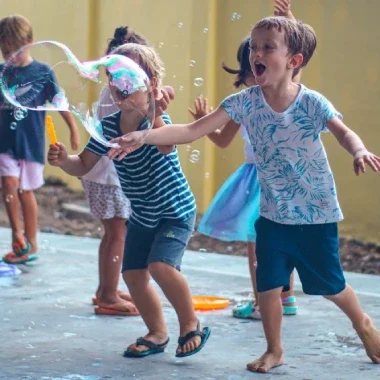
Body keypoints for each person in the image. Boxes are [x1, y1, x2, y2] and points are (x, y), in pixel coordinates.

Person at [112, 16, 380, 372]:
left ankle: (363, 323)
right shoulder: (244, 102)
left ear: (293, 61)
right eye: (254, 46)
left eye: (268, 47)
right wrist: (142, 136)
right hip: (271, 214)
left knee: (330, 284)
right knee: (267, 285)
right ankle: (274, 349)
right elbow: (193, 131)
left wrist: (359, 150)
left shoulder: (312, 103)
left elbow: (344, 133)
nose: (257, 52)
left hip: (315, 214)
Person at [47, 43, 210, 358]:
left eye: (128, 76)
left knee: (161, 266)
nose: (118, 83)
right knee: (133, 274)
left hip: (174, 212)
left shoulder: (156, 122)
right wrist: (63, 160)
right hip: (142, 215)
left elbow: (165, 148)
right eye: (113, 76)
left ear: (150, 84)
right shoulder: (107, 127)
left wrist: (158, 117)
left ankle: (191, 325)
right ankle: (157, 332)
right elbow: (83, 165)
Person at [189, 0, 298, 320]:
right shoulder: (243, 104)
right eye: (253, 68)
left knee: (267, 245)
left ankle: (276, 301)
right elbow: (222, 138)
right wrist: (204, 123)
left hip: (276, 178)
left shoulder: (284, 93)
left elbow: (296, 60)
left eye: (264, 62)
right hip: (254, 179)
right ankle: (275, 299)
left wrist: (289, 21)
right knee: (263, 244)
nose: (258, 71)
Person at [80, 26, 152, 316]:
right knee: (118, 234)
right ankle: (108, 294)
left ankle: (105, 288)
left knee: (112, 233)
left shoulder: (114, 91)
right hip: (110, 176)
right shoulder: (122, 96)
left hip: (102, 174)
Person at [0, 14, 80, 264]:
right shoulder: (2, 73)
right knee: (9, 184)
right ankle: (17, 235)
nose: (11, 57)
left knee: (26, 192)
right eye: (5, 51)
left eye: (16, 51)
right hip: (4, 143)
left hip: (32, 144)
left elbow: (60, 103)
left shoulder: (42, 72)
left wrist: (73, 129)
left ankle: (32, 241)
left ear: (31, 43)